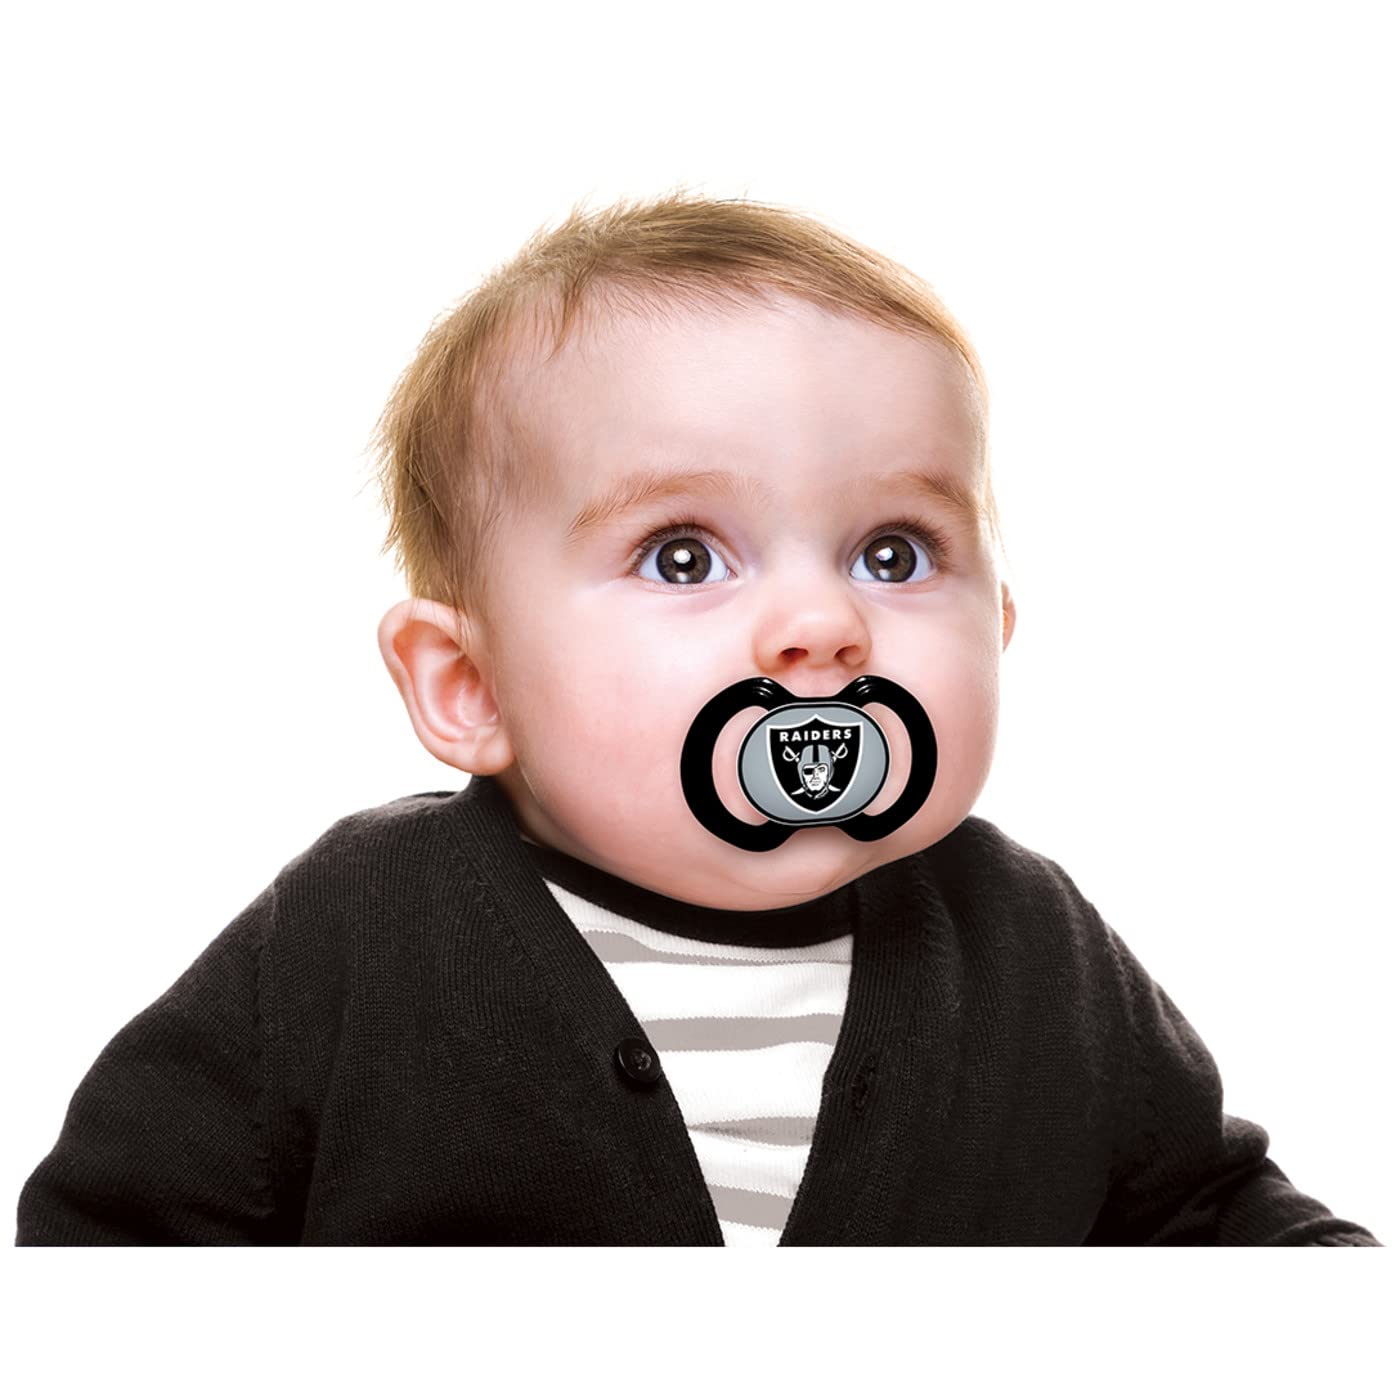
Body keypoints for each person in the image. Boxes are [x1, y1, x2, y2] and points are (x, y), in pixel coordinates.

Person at [15, 190, 1381, 1246]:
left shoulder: (1030, 943)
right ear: (468, 687)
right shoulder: (354, 935)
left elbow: (1207, 1220)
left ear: (1000, 630)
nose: (823, 624)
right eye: (683, 556)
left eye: (895, 553)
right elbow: (108, 1251)